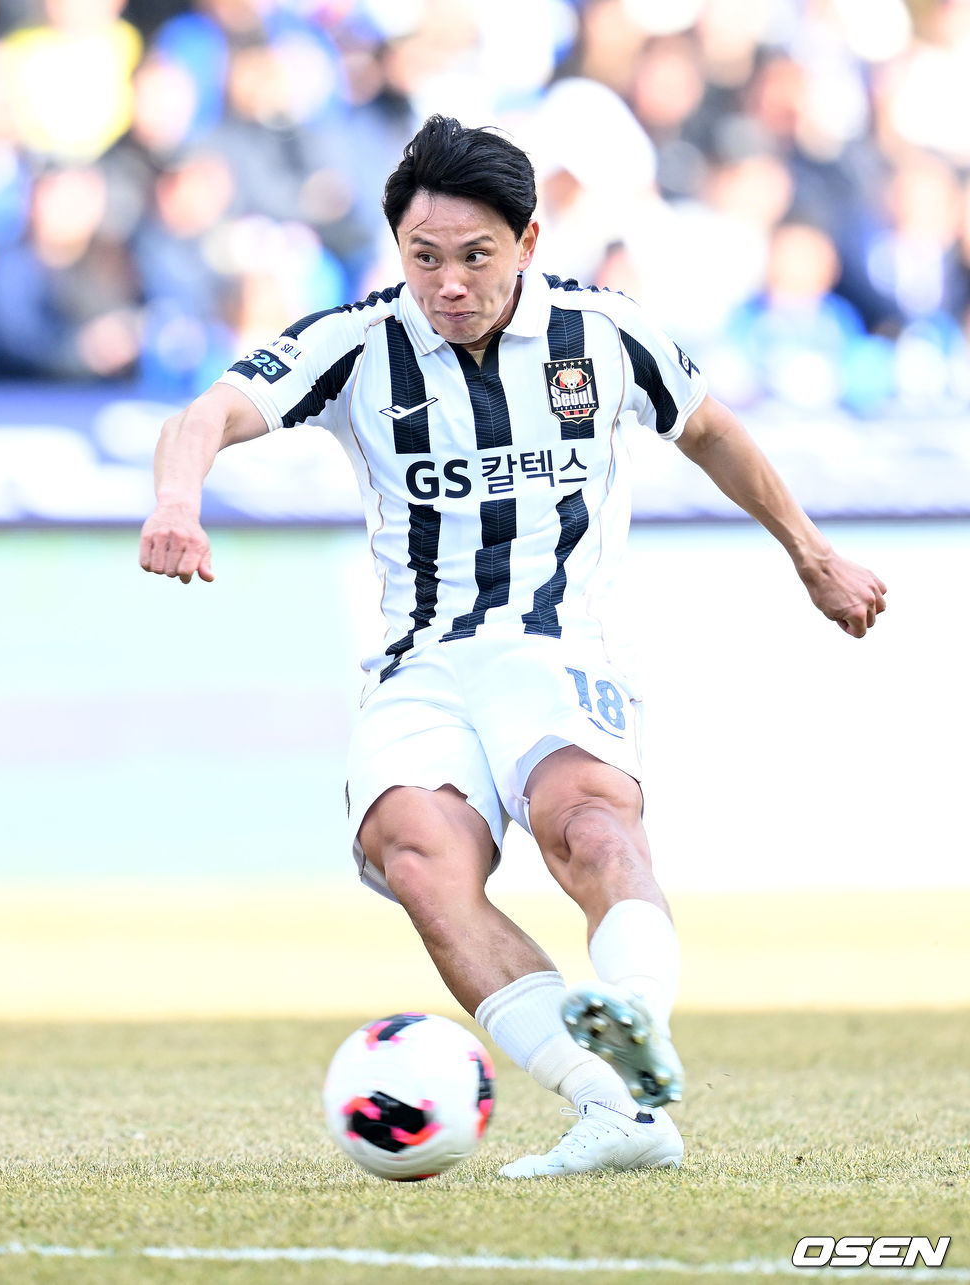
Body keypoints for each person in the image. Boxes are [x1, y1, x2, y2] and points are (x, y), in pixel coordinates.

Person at [139, 115, 887, 1178]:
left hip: (557, 640)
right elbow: (205, 413)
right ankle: (617, 1109)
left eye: (475, 256)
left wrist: (811, 554)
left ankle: (635, 1017)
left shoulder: (605, 331)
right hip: (420, 663)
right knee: (416, 858)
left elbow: (712, 428)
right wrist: (178, 499)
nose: (448, 284)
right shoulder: (354, 342)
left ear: (528, 241)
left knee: (586, 819)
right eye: (424, 257)